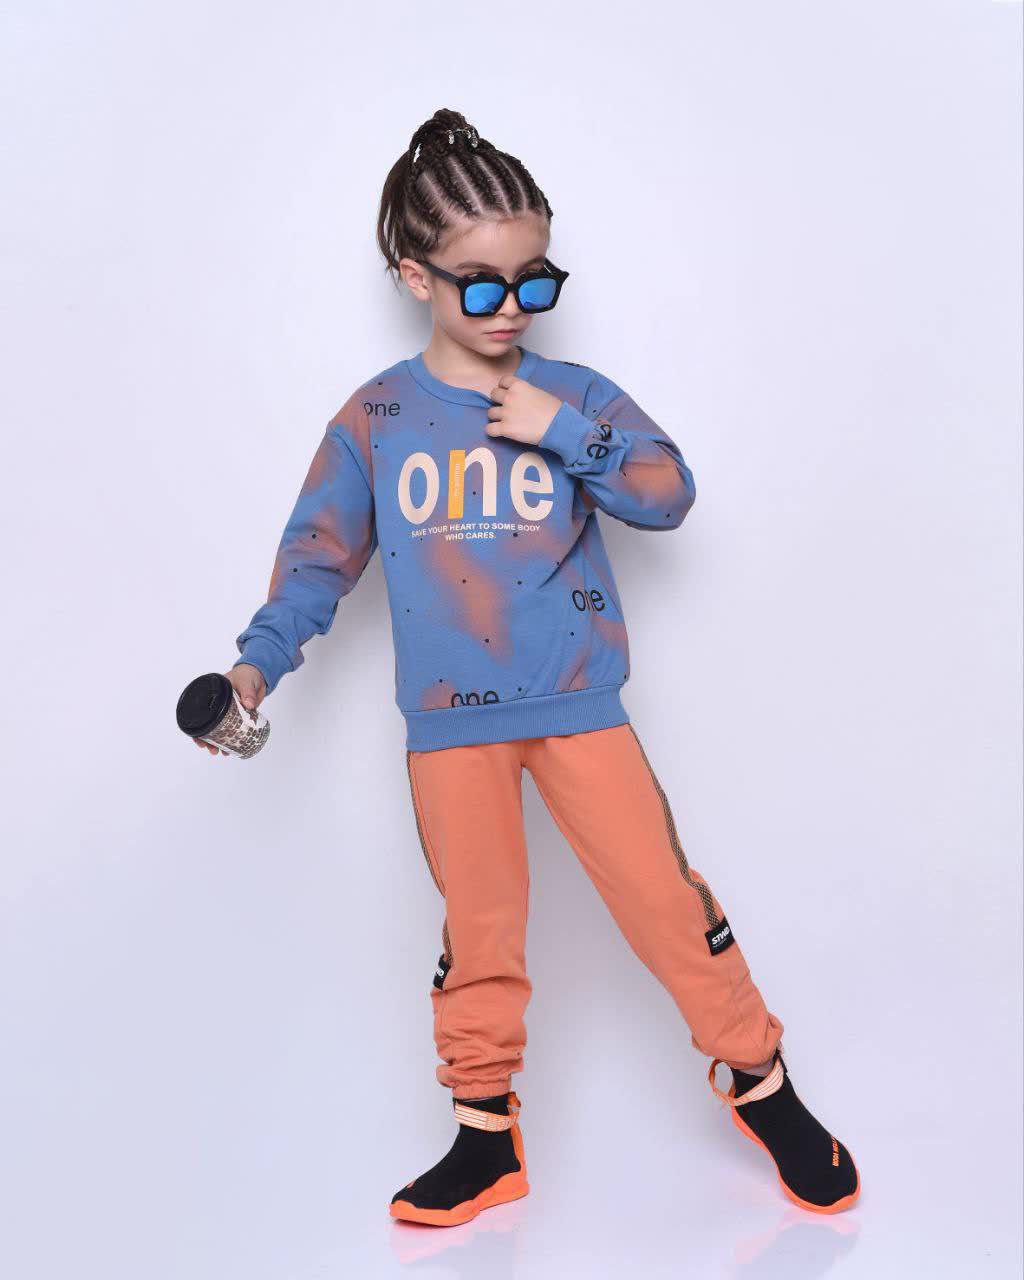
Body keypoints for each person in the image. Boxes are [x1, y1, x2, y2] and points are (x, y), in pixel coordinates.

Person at [194, 109, 860, 1227]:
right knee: (480, 932)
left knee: (665, 904)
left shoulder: (575, 396)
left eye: (534, 281)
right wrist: (255, 670)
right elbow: (317, 559)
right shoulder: (378, 418)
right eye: (481, 285)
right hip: (451, 723)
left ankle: (762, 1083)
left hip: (578, 707)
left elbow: (668, 494)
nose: (511, 308)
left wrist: (562, 429)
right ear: (415, 277)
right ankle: (484, 1135)